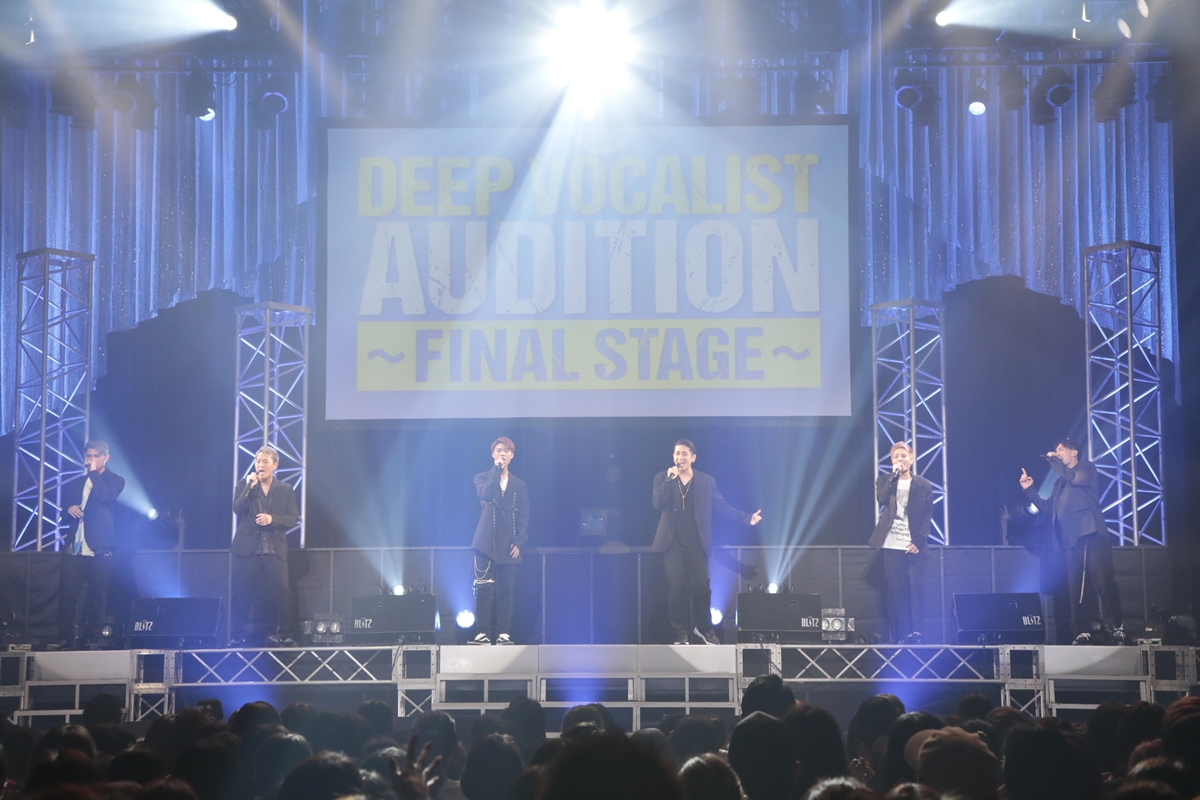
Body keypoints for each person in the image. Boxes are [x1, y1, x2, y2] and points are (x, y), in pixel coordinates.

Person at [652, 439, 762, 645]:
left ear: (693, 458)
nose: (679, 457)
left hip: (696, 542)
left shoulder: (705, 481)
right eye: (677, 453)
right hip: (671, 543)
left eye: (684, 453)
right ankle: (681, 632)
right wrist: (669, 480)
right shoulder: (663, 478)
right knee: (676, 587)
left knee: (701, 587)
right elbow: (657, 503)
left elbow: (721, 505)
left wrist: (746, 518)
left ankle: (703, 627)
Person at [1019, 437, 1125, 645]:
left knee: (1103, 582)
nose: (1057, 453)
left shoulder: (1086, 469)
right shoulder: (1059, 483)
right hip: (1069, 540)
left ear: (1074, 452)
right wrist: (1030, 490)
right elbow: (1048, 508)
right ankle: (1081, 632)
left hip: (1091, 533)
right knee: (1076, 589)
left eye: (1061, 449)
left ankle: (1118, 627)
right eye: (1056, 450)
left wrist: (1054, 461)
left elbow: (1075, 478)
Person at [57, 439, 126, 648]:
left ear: (106, 457)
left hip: (99, 546)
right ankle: (65, 636)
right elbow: (64, 512)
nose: (92, 460)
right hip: (75, 546)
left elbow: (106, 497)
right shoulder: (78, 482)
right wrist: (68, 510)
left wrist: (95, 473)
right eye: (89, 456)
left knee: (97, 594)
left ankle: (92, 637)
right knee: (68, 594)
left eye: (96, 456)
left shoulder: (115, 480)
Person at [231, 446, 299, 646]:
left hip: (273, 549)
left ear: (275, 465)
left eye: (265, 462)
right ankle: (237, 635)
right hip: (248, 550)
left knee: (283, 592)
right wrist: (248, 487)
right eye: (258, 461)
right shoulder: (244, 485)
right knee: (241, 592)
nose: (260, 465)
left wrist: (272, 519)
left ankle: (285, 634)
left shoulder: (285, 489)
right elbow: (237, 509)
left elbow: (292, 518)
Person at [868, 442, 932, 644]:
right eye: (896, 457)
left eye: (903, 456)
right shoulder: (884, 480)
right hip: (891, 545)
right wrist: (893, 477)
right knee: (898, 593)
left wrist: (919, 541)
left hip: (914, 547)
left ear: (911, 458)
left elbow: (927, 515)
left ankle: (918, 633)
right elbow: (881, 498)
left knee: (916, 591)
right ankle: (905, 635)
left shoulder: (923, 485)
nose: (900, 459)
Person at [470, 437, 529, 645]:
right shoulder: (482, 478)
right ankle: (483, 633)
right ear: (493, 454)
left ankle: (504, 633)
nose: (502, 453)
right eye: (499, 450)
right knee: (484, 589)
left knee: (506, 591)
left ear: (512, 455)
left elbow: (524, 515)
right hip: (485, 542)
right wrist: (496, 471)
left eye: (506, 450)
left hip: (508, 543)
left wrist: (519, 541)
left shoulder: (519, 485)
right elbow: (485, 494)